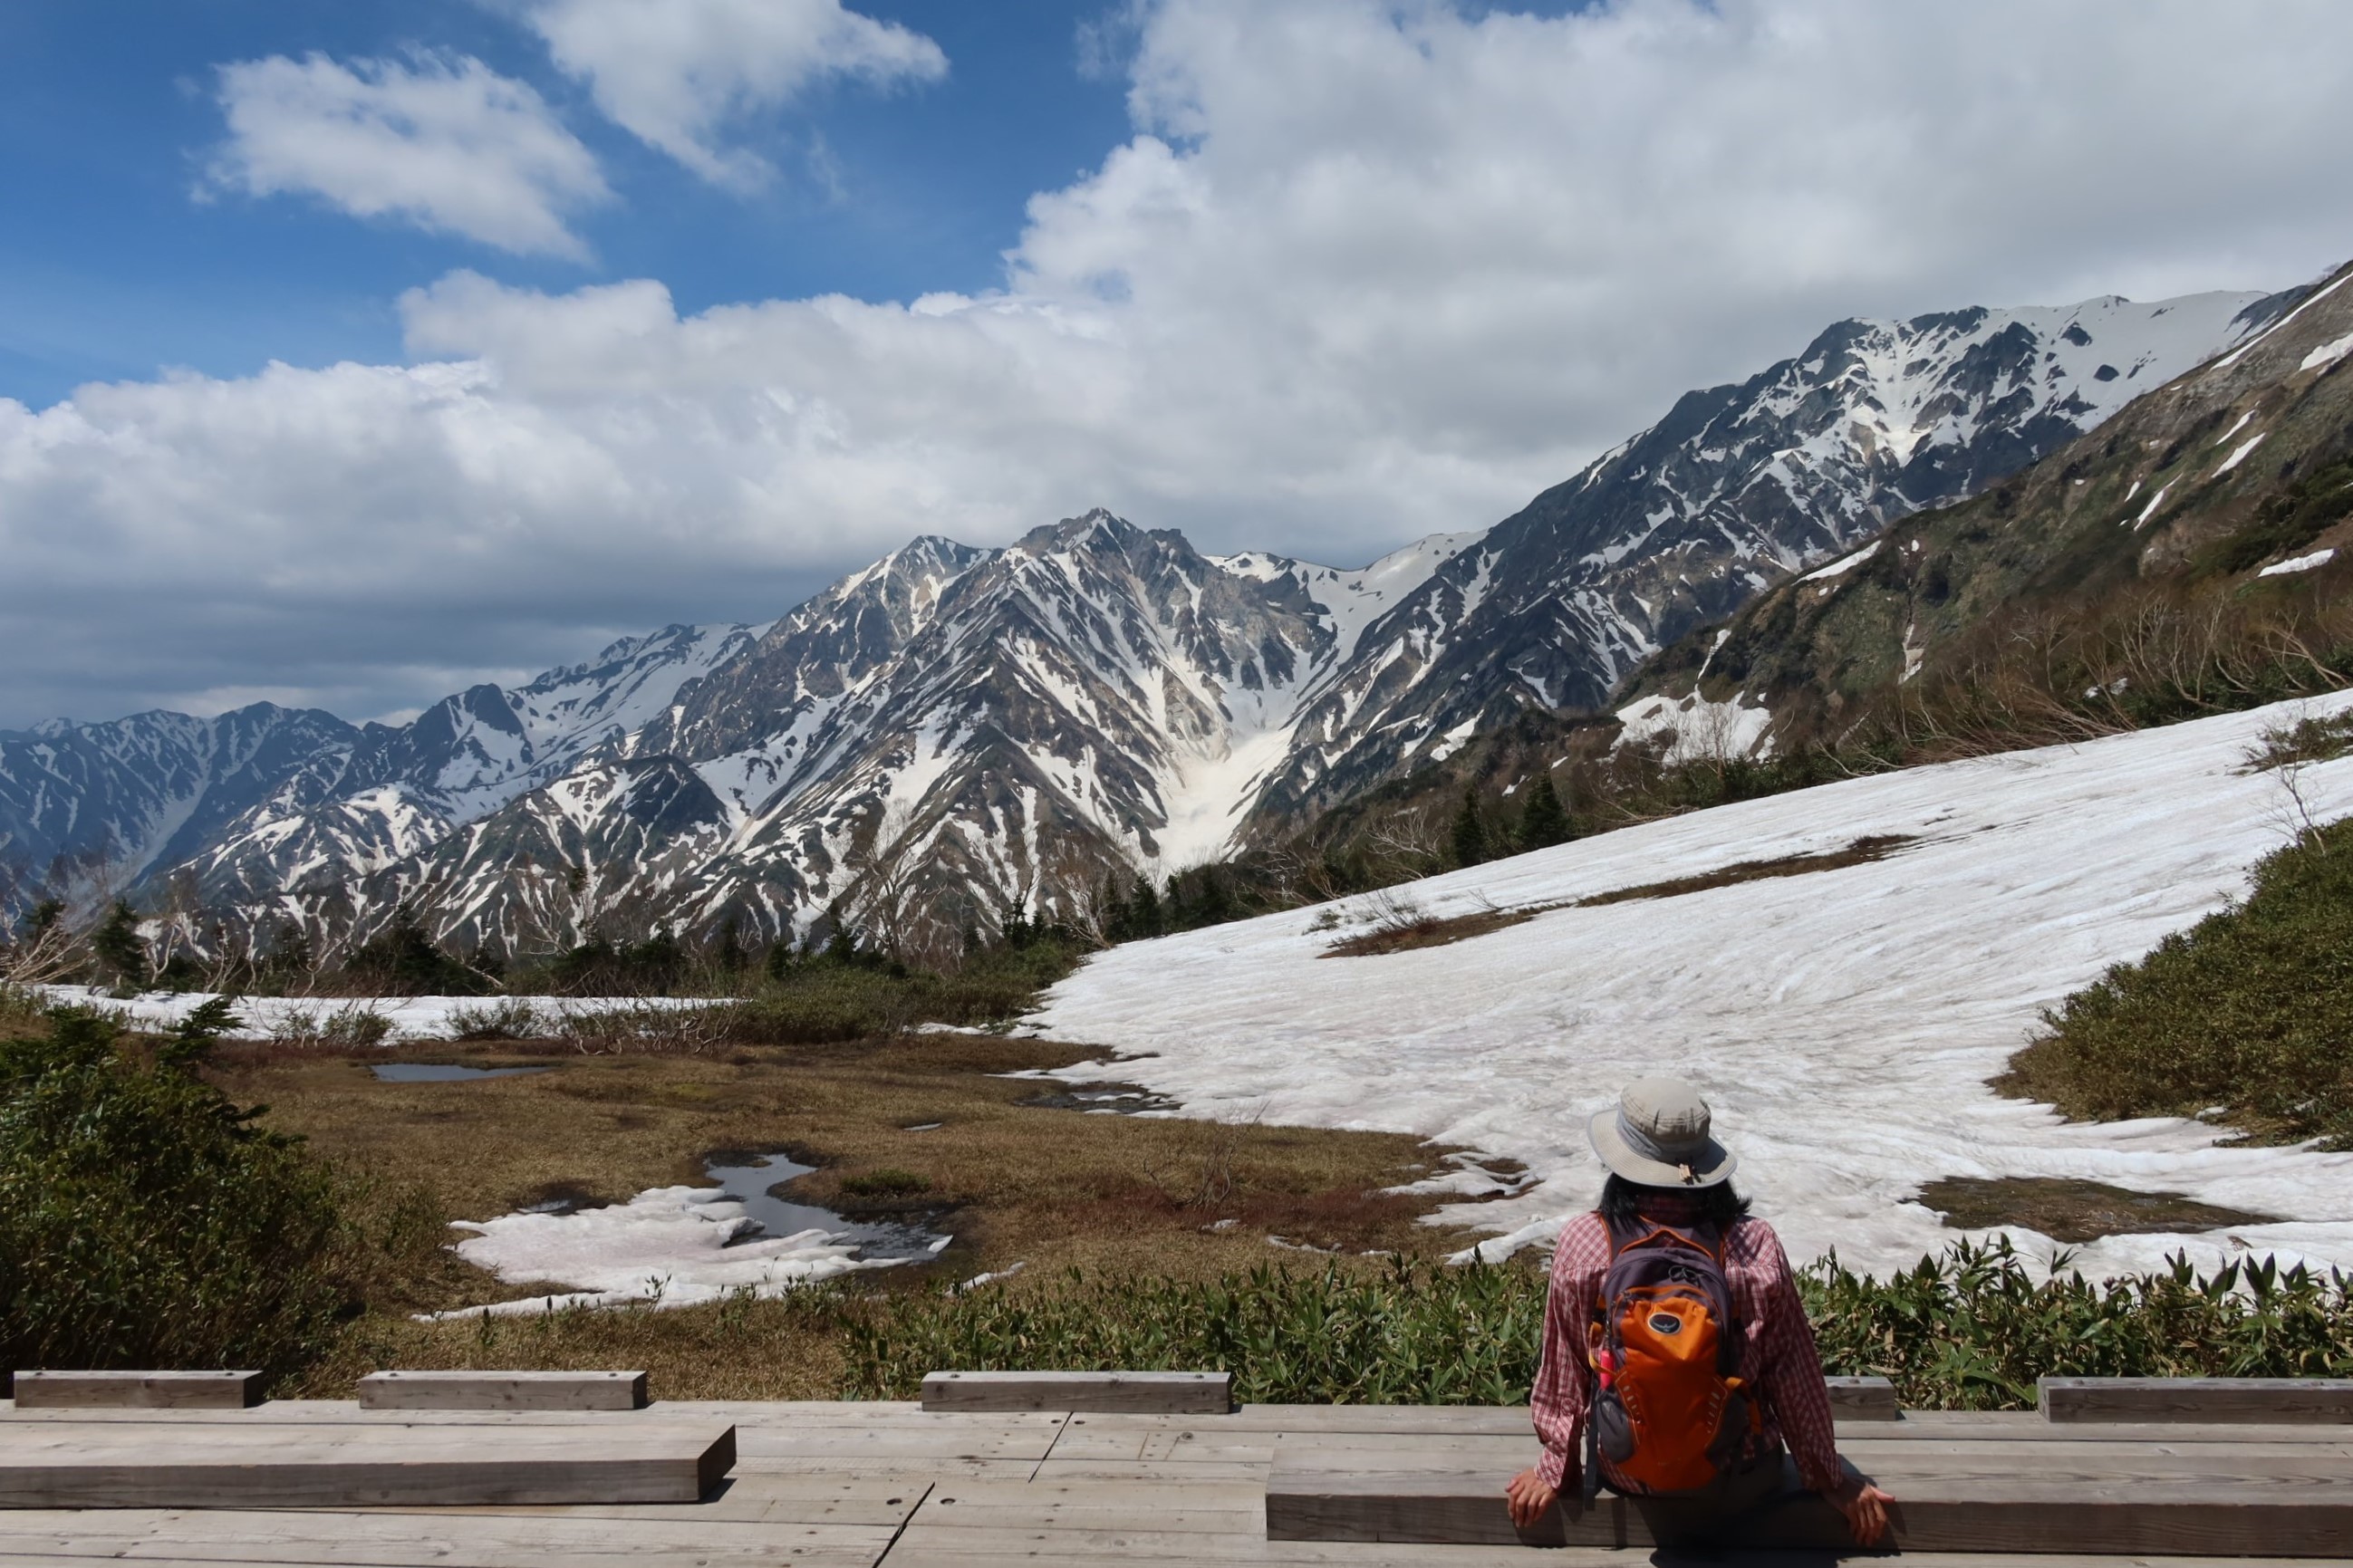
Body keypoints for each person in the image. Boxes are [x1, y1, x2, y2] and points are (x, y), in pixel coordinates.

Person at [1504, 1077, 1894, 1548]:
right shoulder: (1755, 1244)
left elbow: (1565, 1370)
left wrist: (1553, 1469)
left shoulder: (1585, 1241)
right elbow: (1793, 1374)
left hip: (1623, 1469)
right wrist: (1830, 1477)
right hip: (1739, 1478)